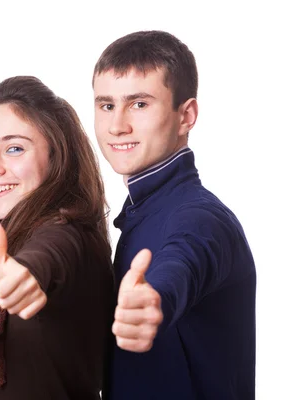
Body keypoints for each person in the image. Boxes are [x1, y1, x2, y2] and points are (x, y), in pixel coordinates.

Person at [92, 30, 256, 399]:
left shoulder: (201, 217)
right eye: (106, 105)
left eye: (139, 104)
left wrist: (155, 298)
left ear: (186, 115)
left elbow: (184, 261)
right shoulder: (143, 211)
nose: (117, 125)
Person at [0, 76, 114, 399]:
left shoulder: (70, 234)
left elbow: (50, 256)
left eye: (14, 148)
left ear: (55, 156)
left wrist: (27, 274)